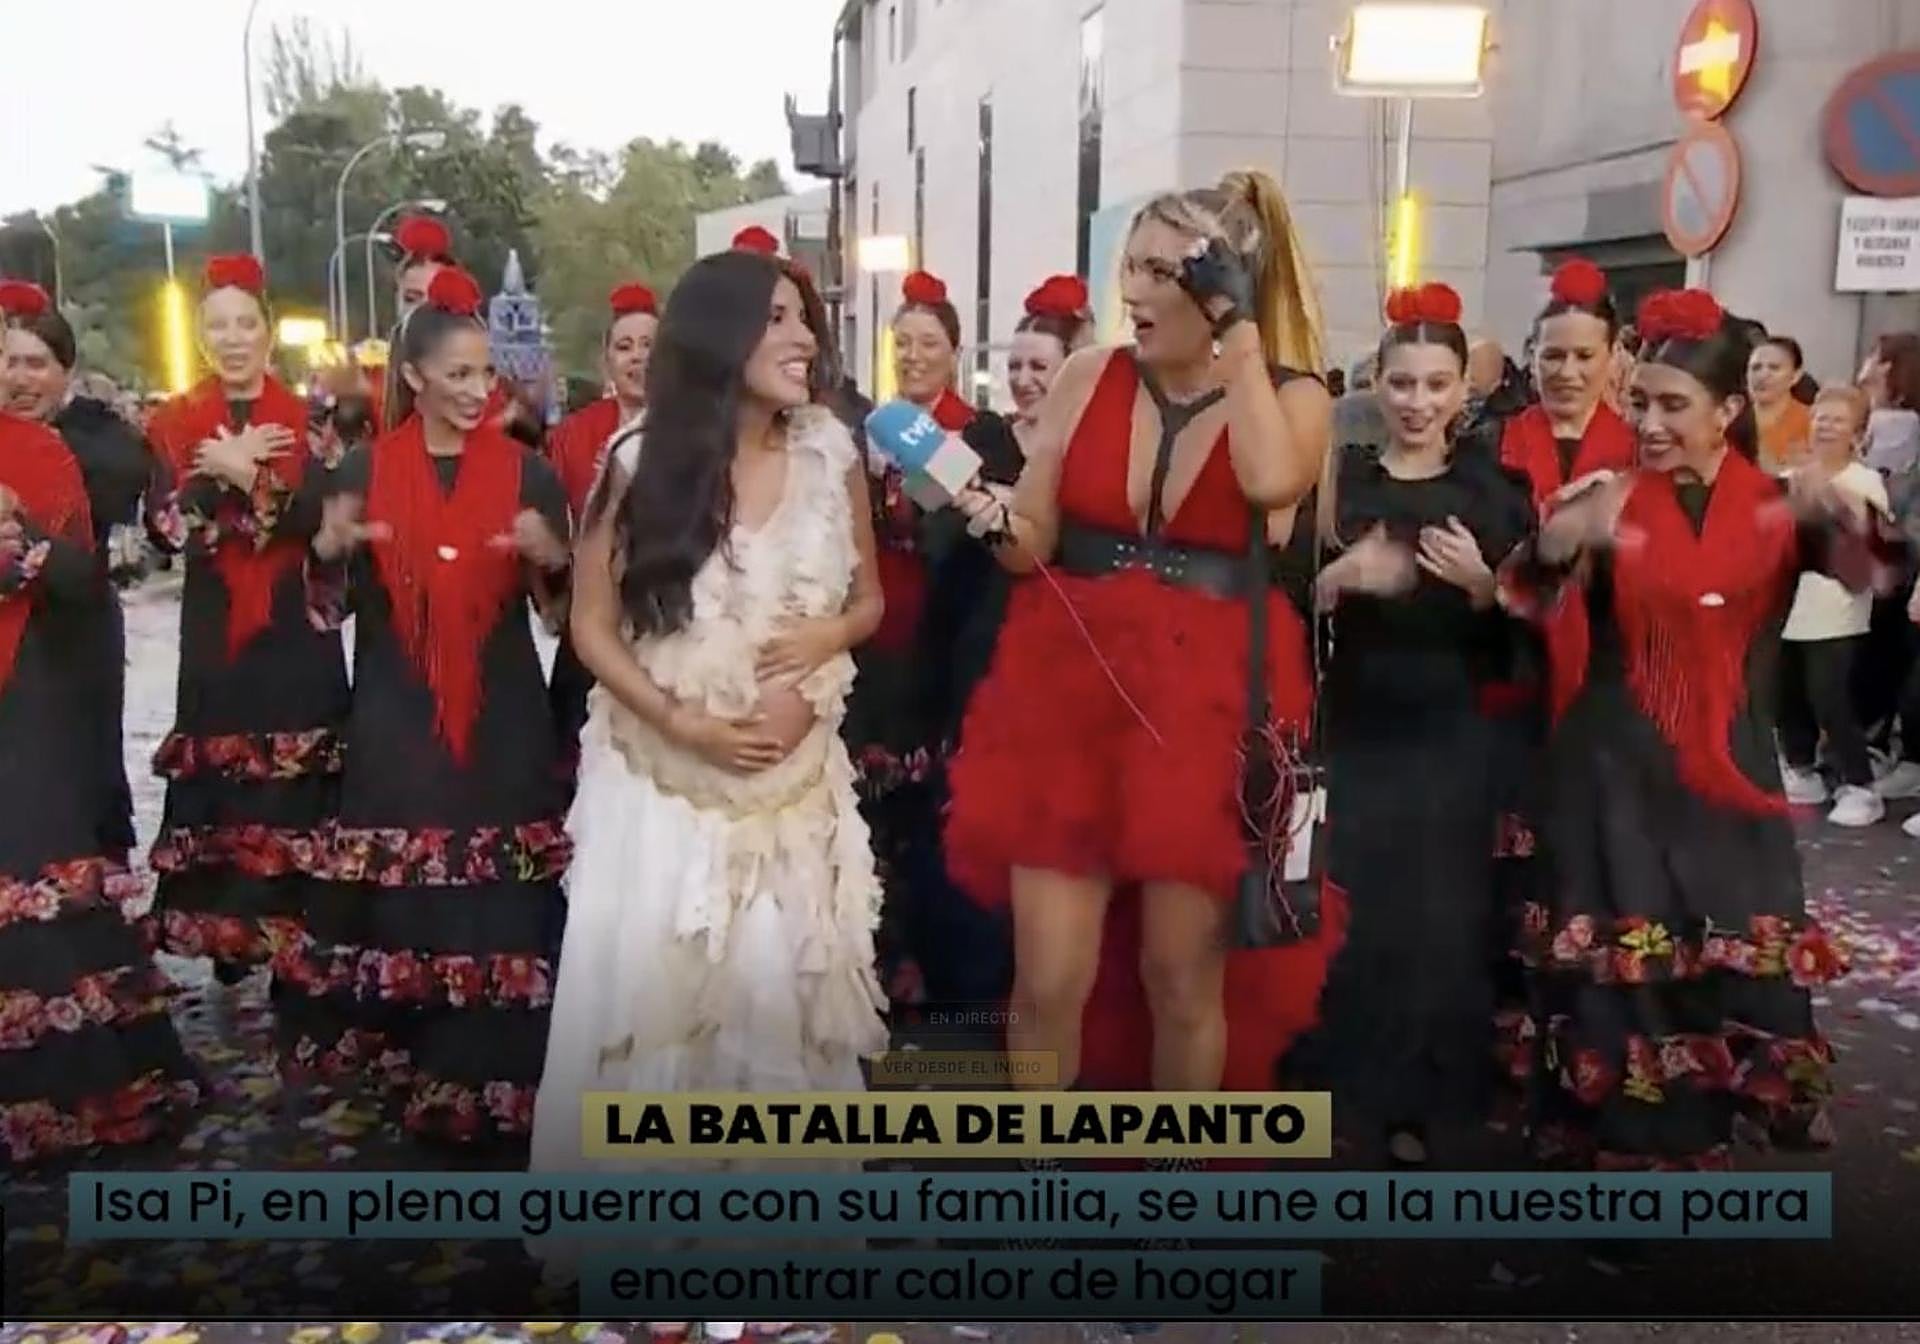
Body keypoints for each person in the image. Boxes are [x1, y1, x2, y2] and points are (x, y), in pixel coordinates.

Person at [946, 168, 1345, 1121]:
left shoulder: (1293, 396)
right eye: (1131, 265)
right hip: (1066, 688)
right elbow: (1031, 544)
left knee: (1180, 977)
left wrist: (1240, 345)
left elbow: (1270, 486)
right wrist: (977, 511)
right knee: (1048, 976)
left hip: (1208, 705)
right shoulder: (1088, 375)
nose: (1133, 290)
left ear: (1221, 286)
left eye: (1163, 272)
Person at [528, 248, 885, 1281]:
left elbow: (868, 599)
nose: (804, 337)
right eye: (778, 318)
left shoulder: (833, 452)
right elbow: (592, 628)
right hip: (665, 787)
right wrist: (682, 721)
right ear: (720, 335)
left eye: (805, 317)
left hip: (792, 794)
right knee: (664, 998)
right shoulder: (639, 460)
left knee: (776, 984)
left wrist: (829, 636)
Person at [1504, 287, 1885, 1188]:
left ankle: (1706, 1126)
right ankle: (1637, 1149)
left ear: (1727, 410)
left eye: (1673, 406)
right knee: (1627, 964)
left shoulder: (1779, 507)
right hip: (1613, 766)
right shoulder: (1607, 500)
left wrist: (1848, 514)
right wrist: (1559, 534)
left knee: (1720, 950)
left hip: (1730, 768)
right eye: (1641, 403)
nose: (1650, 424)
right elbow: (1522, 594)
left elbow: (1881, 575)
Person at [297, 267, 573, 1144]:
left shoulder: (529, 474)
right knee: (414, 909)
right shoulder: (362, 470)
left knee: (503, 908)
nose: (476, 390)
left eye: (485, 373)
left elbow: (561, 618)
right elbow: (324, 611)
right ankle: (424, 1078)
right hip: (398, 722)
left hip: (504, 725)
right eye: (457, 374)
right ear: (413, 376)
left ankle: (506, 1085)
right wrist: (329, 549)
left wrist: (551, 559)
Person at [1290, 284, 1533, 1166]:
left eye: (1436, 385)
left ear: (1463, 389)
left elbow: (1537, 634)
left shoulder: (1496, 493)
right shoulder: (1339, 485)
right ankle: (1343, 1090)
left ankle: (1420, 1103)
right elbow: (1286, 608)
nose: (1418, 402)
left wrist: (1483, 587)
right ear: (1376, 384)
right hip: (1353, 730)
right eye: (1402, 383)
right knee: (1349, 911)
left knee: (1437, 923)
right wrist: (1331, 583)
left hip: (1451, 737)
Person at [143, 256, 349, 1013]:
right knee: (225, 789)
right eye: (217, 326)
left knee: (299, 789)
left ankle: (296, 943)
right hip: (216, 632)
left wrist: (249, 481)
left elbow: (314, 519)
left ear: (267, 331)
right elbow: (168, 529)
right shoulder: (172, 422)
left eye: (245, 323)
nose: (233, 339)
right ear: (201, 337)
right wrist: (222, 473)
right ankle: (232, 938)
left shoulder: (309, 421)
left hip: (296, 628)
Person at [0, 405, 199, 1162]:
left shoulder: (37, 451)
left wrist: (26, 544)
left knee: (35, 882)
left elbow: (82, 580)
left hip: (26, 696)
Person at [844, 268, 1023, 1017]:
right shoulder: (867, 428)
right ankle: (871, 958)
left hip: (942, 636)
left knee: (931, 812)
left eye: (928, 343)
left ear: (954, 352)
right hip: (869, 635)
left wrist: (928, 478)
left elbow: (970, 528)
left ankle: (936, 964)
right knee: (867, 810)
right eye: (902, 343)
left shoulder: (980, 433)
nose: (913, 356)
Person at [1, 281, 150, 860]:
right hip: (18, 646)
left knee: (81, 778)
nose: (20, 379)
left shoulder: (99, 440)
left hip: (77, 637)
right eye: (10, 362)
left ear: (67, 372)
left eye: (36, 364)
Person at [545, 282, 661, 789]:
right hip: (593, 615)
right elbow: (554, 523)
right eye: (625, 347)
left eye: (650, 345)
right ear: (606, 362)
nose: (638, 358)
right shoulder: (573, 436)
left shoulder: (697, 431)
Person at [1778, 384, 1890, 828]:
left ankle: (1860, 785)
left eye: (1837, 420)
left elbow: (1865, 537)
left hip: (1837, 608)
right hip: (1789, 606)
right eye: (1820, 417)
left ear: (1857, 434)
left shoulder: (1864, 480)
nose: (1825, 426)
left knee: (1831, 697)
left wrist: (1822, 491)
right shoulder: (1792, 476)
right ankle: (1802, 769)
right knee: (1788, 693)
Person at [1750, 337, 1813, 475]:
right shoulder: (1728, 420)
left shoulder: (1812, 422)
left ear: (1795, 376)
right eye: (1756, 368)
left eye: (1774, 368)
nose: (1762, 375)